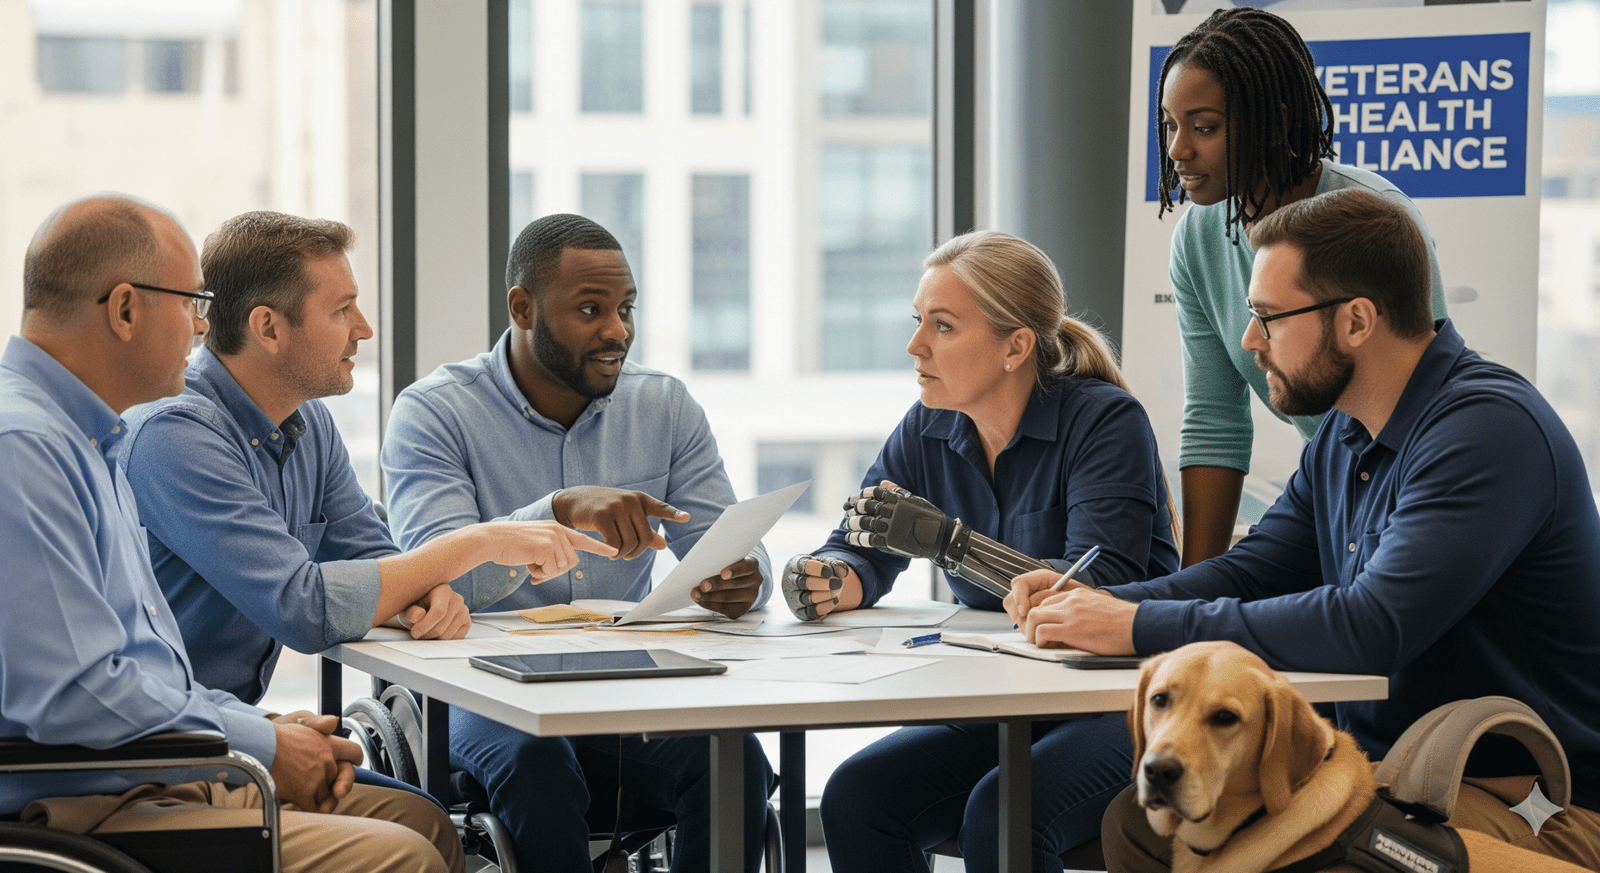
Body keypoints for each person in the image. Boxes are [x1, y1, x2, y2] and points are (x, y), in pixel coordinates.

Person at [1007, 189, 1600, 871]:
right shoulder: (1346, 433)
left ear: (1355, 321)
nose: (1248, 339)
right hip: (1391, 774)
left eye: (1267, 316)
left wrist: (1133, 630)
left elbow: (1371, 625)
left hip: (1539, 805)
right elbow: (1252, 569)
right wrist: (1109, 605)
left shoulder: (1487, 431)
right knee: (1141, 825)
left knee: (1286, 850)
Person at [0, 193, 463, 873]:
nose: (200, 324)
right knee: (401, 857)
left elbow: (141, 670)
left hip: (146, 768)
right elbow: (77, 694)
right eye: (191, 301)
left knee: (426, 819)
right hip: (86, 802)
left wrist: (261, 730)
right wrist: (259, 741)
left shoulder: (87, 439)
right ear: (125, 309)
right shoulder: (28, 448)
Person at [380, 213, 775, 873]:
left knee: (733, 758)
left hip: (620, 689)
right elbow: (429, 581)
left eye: (626, 308)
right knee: (539, 762)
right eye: (591, 309)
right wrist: (555, 512)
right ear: (522, 307)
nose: (617, 329)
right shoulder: (434, 412)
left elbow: (728, 540)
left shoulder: (665, 407)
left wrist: (743, 577)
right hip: (481, 696)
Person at [782, 230, 1180, 873]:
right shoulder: (927, 425)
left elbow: (1098, 590)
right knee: (858, 797)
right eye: (919, 322)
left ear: (1015, 346)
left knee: (1001, 817)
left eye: (942, 326)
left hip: (1116, 698)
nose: (915, 346)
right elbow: (864, 547)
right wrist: (834, 578)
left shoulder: (1105, 422)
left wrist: (951, 543)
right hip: (1003, 696)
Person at [118, 211, 612, 718]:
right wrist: (481, 541)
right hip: (162, 739)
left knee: (414, 795)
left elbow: (373, 554)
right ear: (268, 327)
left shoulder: (308, 421)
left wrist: (423, 597)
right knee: (427, 800)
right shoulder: (173, 435)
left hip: (226, 724)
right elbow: (301, 608)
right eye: (342, 310)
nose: (365, 329)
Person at [1157, 7, 1449, 566]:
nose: (1177, 150)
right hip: (1329, 498)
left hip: (1415, 497)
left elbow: (1423, 402)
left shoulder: (1375, 223)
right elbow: (1215, 420)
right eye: (1171, 124)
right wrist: (1191, 587)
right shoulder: (1197, 239)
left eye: (1204, 126)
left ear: (1271, 120)